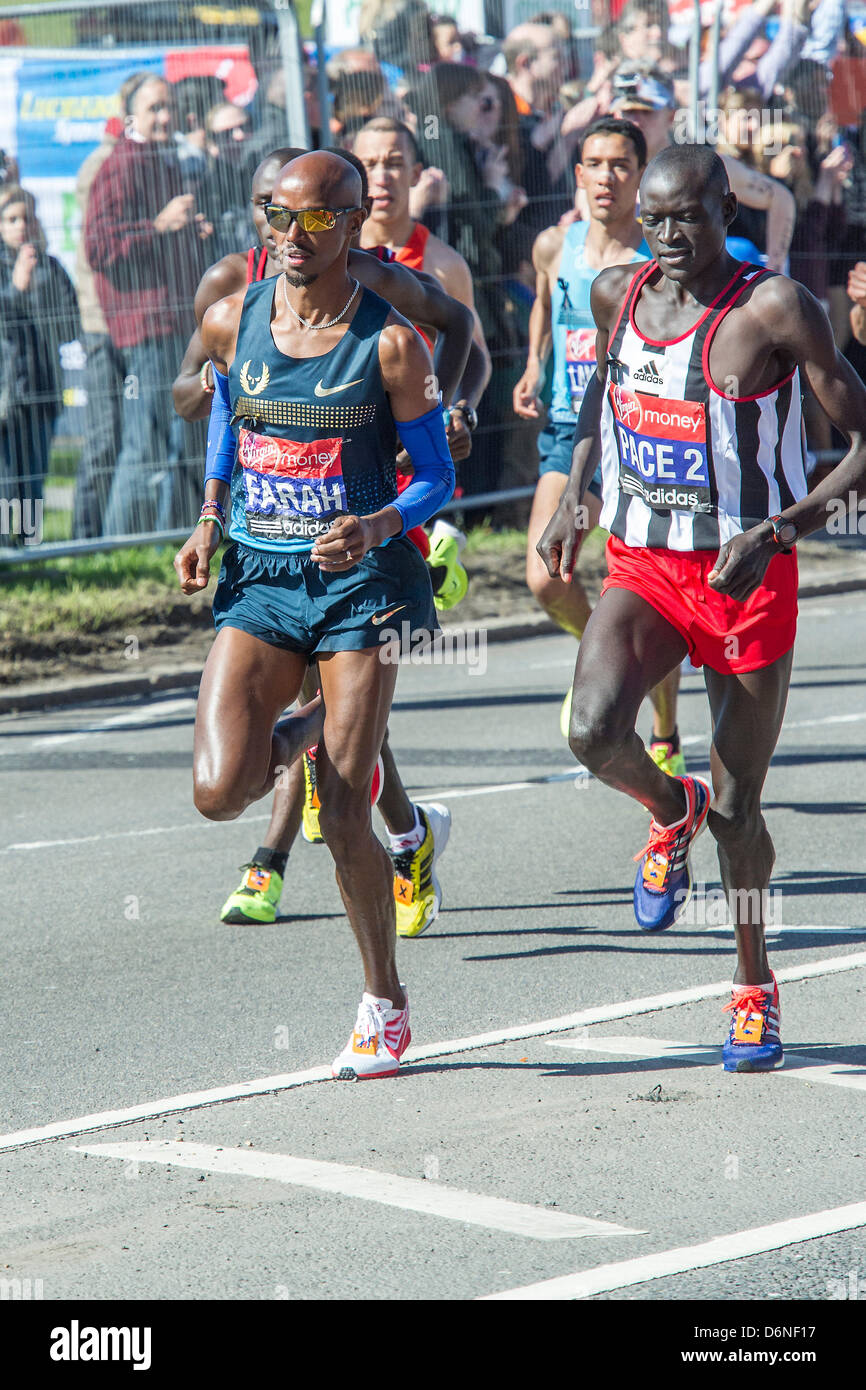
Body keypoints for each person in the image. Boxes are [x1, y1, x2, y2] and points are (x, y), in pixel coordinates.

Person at [538, 143, 866, 1072]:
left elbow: (862, 440)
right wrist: (575, 490)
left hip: (746, 578)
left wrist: (779, 529)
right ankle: (663, 804)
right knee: (591, 731)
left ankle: (753, 981)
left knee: (739, 810)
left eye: (688, 216)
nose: (669, 236)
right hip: (645, 563)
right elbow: (605, 387)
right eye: (654, 220)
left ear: (729, 207)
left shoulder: (774, 308)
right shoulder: (617, 293)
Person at [175, 151, 456, 1080]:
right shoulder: (232, 318)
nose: (292, 239)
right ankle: (304, 731)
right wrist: (212, 515)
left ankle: (385, 1000)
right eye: (275, 219)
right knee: (220, 790)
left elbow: (439, 478)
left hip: (364, 586)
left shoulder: (389, 344)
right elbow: (227, 414)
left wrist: (378, 522)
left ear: (350, 227)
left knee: (341, 810)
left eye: (314, 222)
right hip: (261, 576)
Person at [514, 117, 683, 769]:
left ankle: (665, 733)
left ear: (640, 176)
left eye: (620, 164)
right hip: (569, 433)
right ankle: (603, 661)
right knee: (544, 575)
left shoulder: (659, 258)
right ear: (577, 173)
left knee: (647, 602)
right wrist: (534, 362)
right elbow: (544, 304)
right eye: (594, 163)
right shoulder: (555, 246)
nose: (606, 177)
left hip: (639, 442)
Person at [85, 72, 212, 536]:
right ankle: (120, 545)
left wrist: (187, 233)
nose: (165, 116)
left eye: (169, 107)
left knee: (178, 441)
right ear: (130, 115)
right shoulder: (120, 165)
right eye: (155, 107)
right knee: (146, 444)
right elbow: (97, 247)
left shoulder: (162, 159)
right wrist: (158, 227)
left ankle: (164, 540)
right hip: (147, 328)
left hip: (175, 323)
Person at [0, 184, 79, 530]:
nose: (20, 226)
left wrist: (38, 289)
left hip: (42, 390)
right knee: (4, 482)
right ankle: (5, 552)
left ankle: (30, 544)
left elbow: (70, 327)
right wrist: (16, 289)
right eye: (11, 219)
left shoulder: (51, 267)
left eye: (27, 218)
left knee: (33, 481)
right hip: (6, 395)